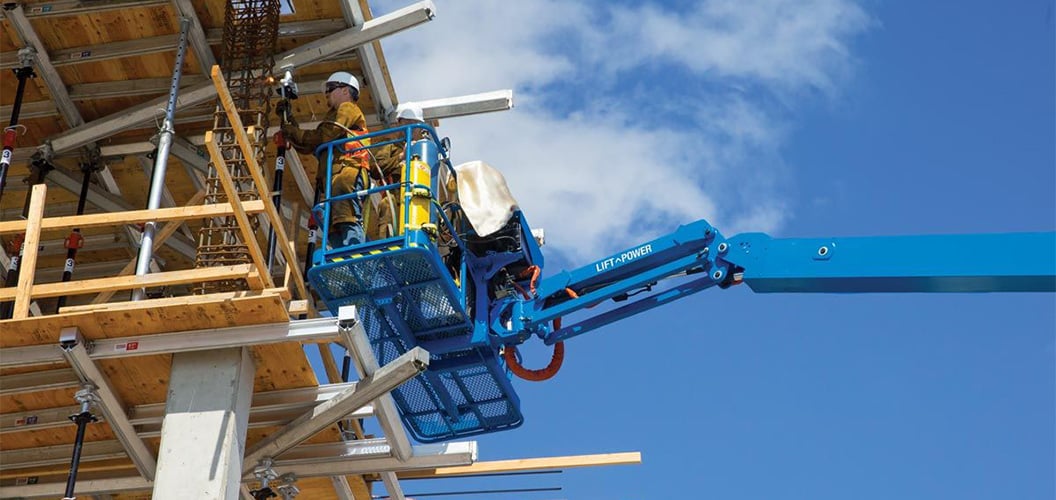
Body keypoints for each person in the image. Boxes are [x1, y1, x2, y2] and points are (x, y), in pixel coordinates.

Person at [278, 71, 371, 249]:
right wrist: (289, 123)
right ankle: (345, 260)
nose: (326, 93)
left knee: (347, 219)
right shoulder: (335, 115)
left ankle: (357, 261)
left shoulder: (347, 108)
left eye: (331, 88)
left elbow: (323, 136)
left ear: (345, 91)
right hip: (336, 176)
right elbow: (309, 145)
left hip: (347, 174)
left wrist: (291, 130)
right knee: (335, 226)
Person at [365, 102, 426, 240]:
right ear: (399, 123)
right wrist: (400, 157)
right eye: (407, 122)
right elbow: (375, 169)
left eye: (414, 123)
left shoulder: (426, 151)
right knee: (387, 204)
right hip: (396, 199)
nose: (411, 127)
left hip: (418, 200)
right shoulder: (389, 147)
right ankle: (387, 248)